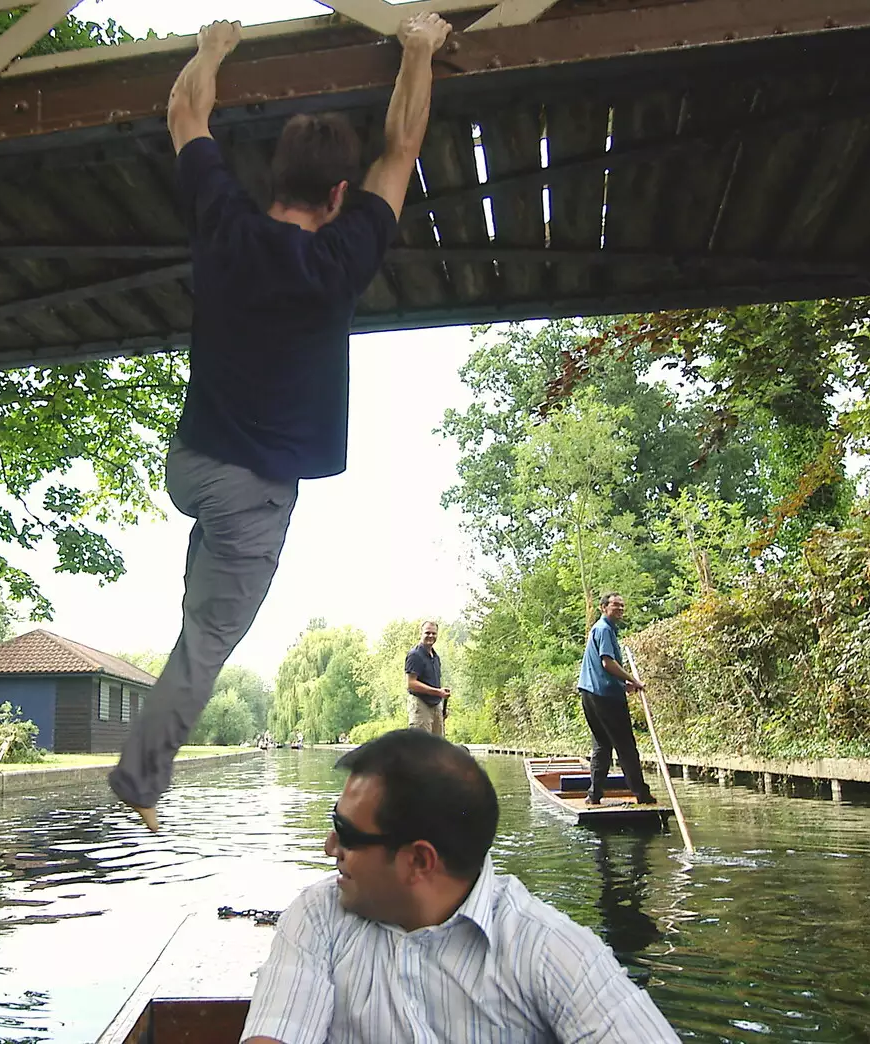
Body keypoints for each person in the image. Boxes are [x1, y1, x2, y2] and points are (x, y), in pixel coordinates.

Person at [108, 12, 455, 832]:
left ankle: (158, 727)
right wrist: (417, 47)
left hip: (190, 463)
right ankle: (140, 781)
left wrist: (211, 48)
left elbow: (185, 114)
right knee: (206, 645)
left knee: (203, 608)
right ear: (340, 196)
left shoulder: (224, 220)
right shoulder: (342, 255)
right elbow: (402, 146)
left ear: (271, 181)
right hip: (248, 491)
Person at [241, 730, 678, 1043]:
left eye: (346, 833)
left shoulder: (548, 951)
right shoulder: (319, 918)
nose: (327, 846)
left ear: (418, 861)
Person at [577, 592, 655, 806]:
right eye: (615, 606)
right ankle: (642, 794)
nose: (620, 609)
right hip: (605, 698)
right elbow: (607, 663)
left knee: (602, 745)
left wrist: (623, 685)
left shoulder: (603, 630)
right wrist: (634, 680)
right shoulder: (603, 630)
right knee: (626, 746)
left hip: (590, 694)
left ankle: (594, 796)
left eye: (622, 606)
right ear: (603, 608)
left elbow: (601, 670)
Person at [404, 619, 449, 736]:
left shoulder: (435, 657)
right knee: (421, 748)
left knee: (438, 747)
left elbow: (434, 682)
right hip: (420, 705)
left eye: (434, 633)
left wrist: (441, 705)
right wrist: (438, 692)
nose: (431, 636)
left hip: (435, 706)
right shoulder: (415, 655)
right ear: (421, 633)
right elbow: (411, 684)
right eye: (427, 633)